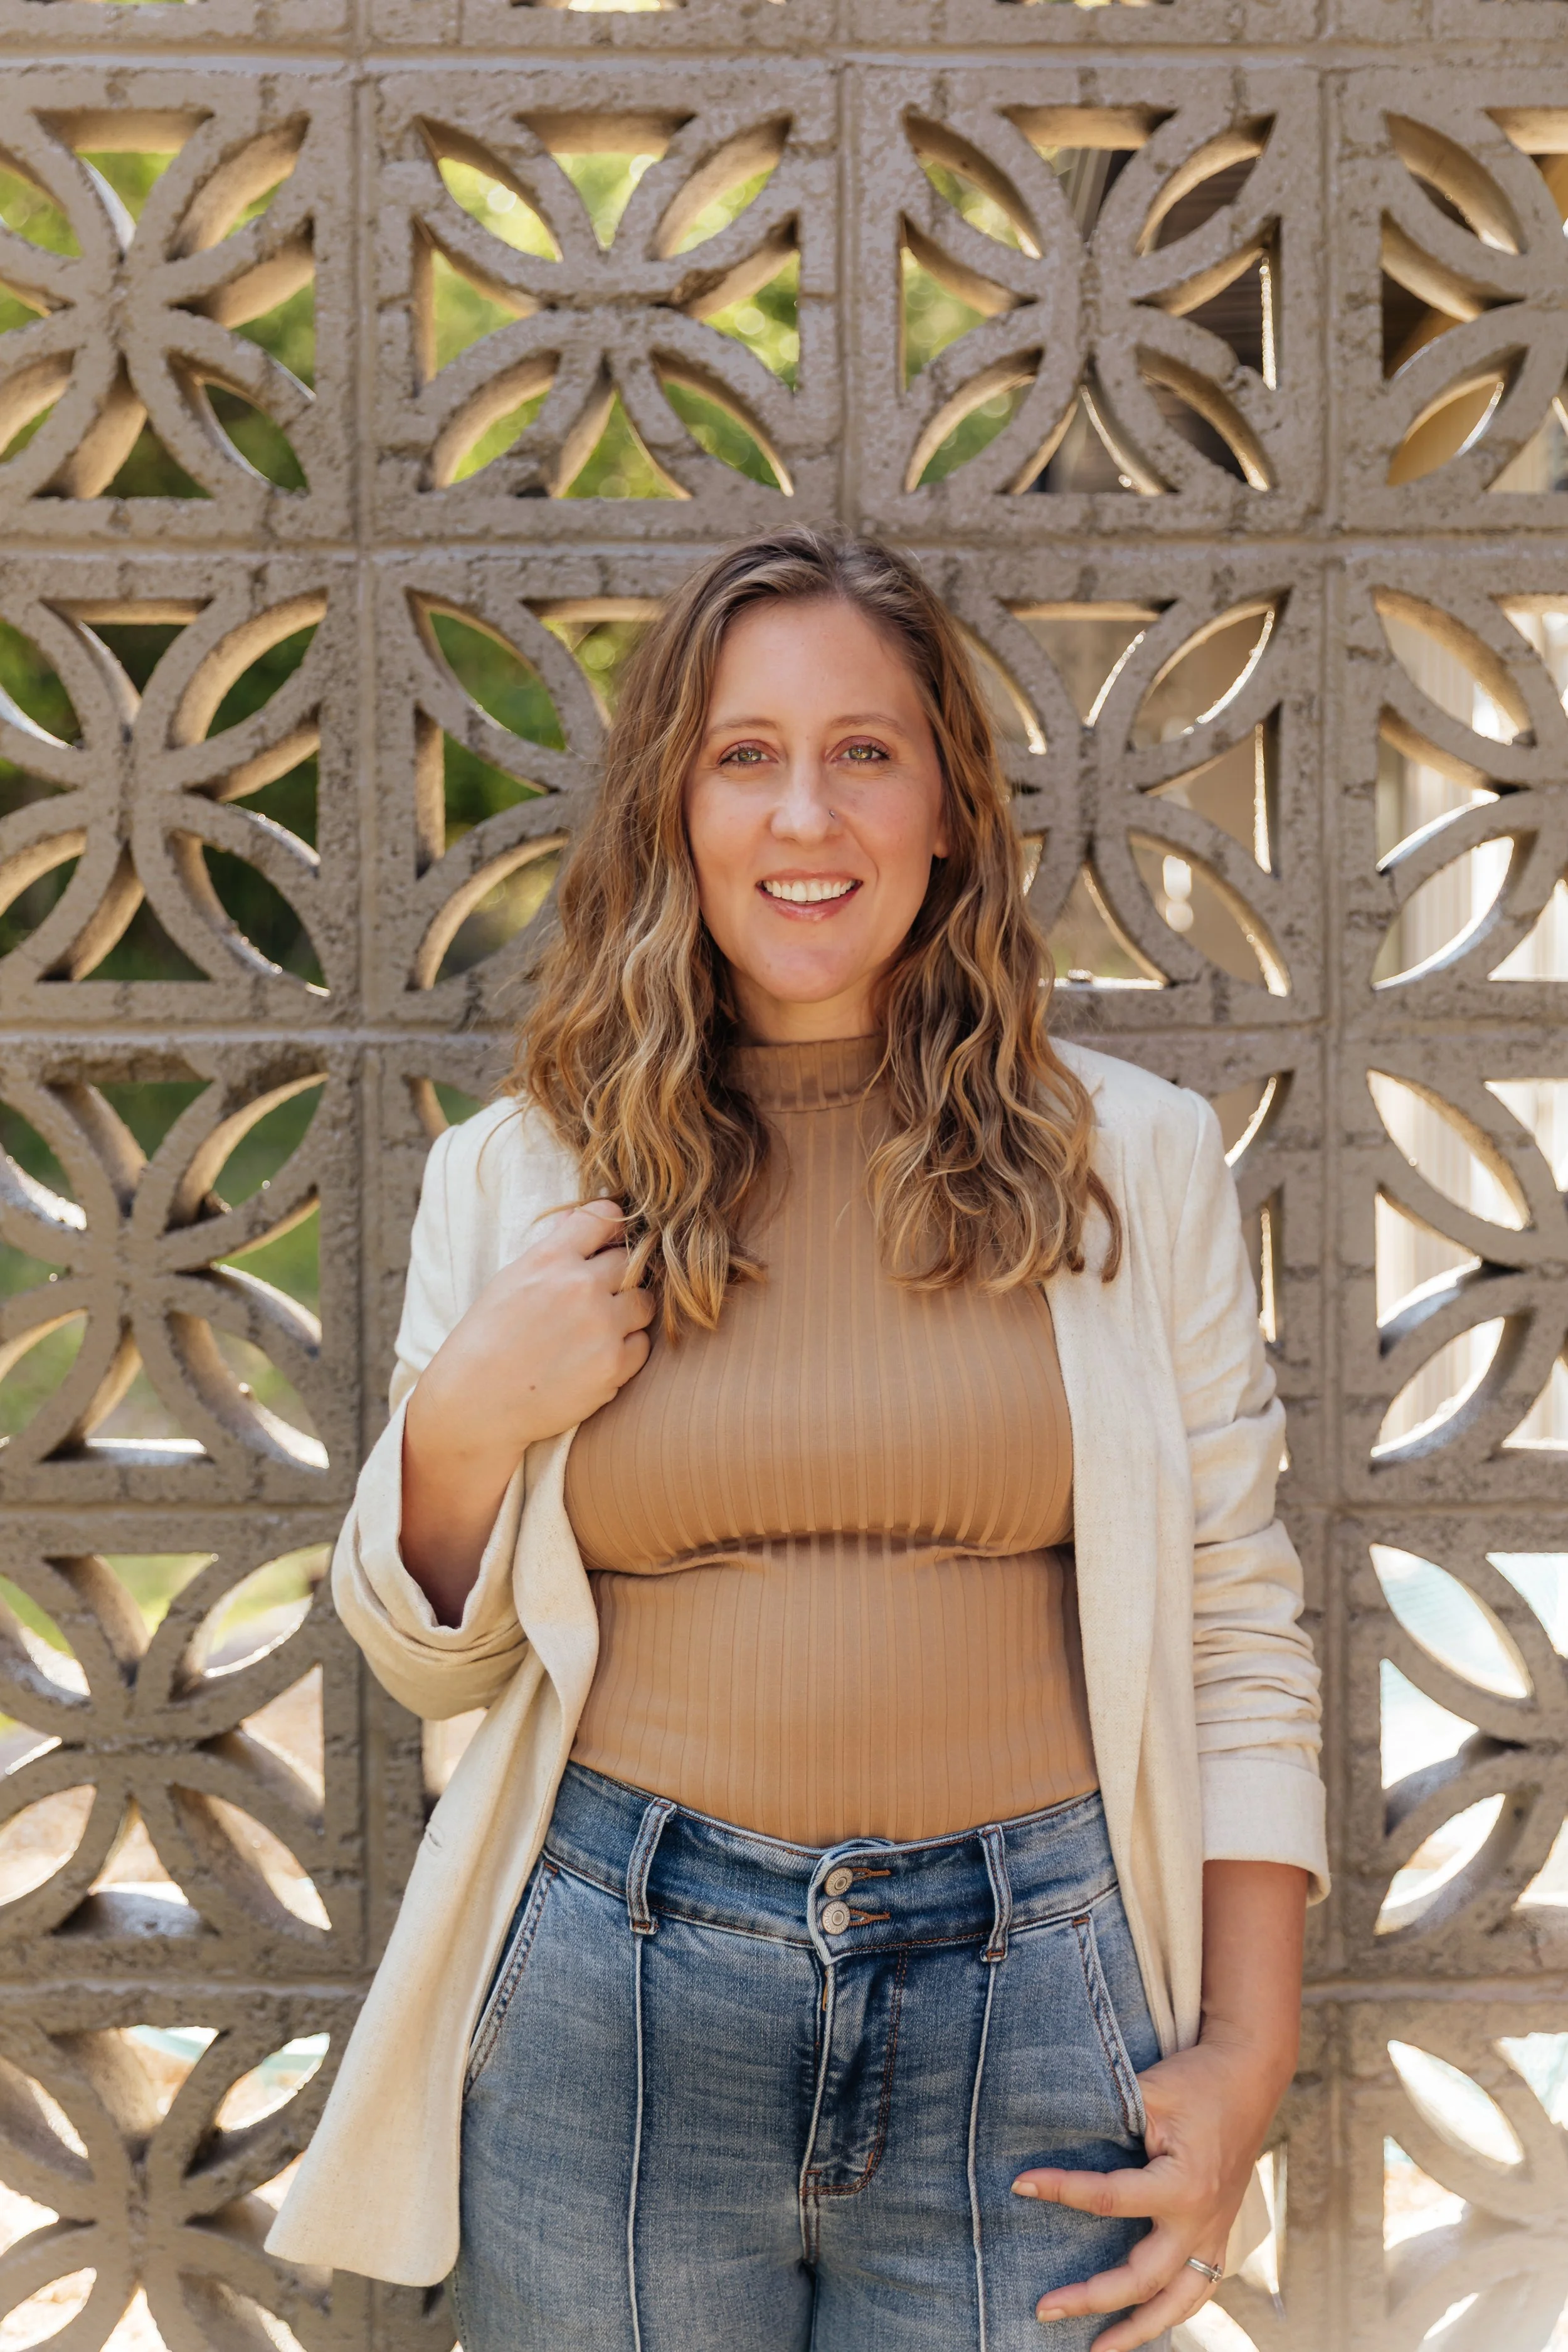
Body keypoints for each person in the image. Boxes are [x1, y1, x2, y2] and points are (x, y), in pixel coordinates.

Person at [267, 526, 1325, 2352]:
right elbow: (421, 1660)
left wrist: (1246, 2047)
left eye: (865, 750)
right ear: (674, 811)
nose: (804, 814)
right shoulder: (522, 1176)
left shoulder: (1127, 1164)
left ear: (944, 809)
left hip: (1032, 2001)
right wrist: (465, 1415)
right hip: (621, 1989)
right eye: (742, 755)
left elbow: (1236, 1626)